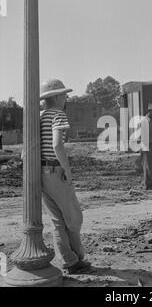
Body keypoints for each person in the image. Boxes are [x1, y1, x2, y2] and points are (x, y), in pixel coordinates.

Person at [40, 79, 91, 274]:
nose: (66, 97)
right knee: (74, 217)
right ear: (55, 97)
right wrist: (66, 170)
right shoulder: (58, 114)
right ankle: (77, 257)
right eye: (64, 94)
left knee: (57, 220)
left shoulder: (40, 115)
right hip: (55, 172)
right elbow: (56, 145)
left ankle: (69, 259)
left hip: (42, 175)